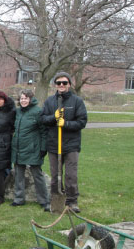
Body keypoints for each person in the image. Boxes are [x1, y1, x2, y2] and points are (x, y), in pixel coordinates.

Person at [41, 72, 87, 213]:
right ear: (55, 84)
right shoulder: (49, 101)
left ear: (69, 85)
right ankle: (55, 200)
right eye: (59, 82)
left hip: (71, 145)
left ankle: (72, 201)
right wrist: (53, 118)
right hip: (54, 144)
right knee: (55, 175)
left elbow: (82, 122)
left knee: (71, 175)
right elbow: (42, 119)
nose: (61, 85)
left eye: (64, 83)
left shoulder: (76, 101)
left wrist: (65, 123)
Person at [11, 90, 50, 211]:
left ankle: (44, 200)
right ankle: (19, 198)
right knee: (18, 175)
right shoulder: (17, 112)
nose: (23, 100)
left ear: (31, 99)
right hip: (18, 148)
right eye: (21, 98)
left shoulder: (38, 112)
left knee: (37, 175)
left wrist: (43, 148)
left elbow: (44, 131)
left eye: (26, 98)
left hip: (33, 148)